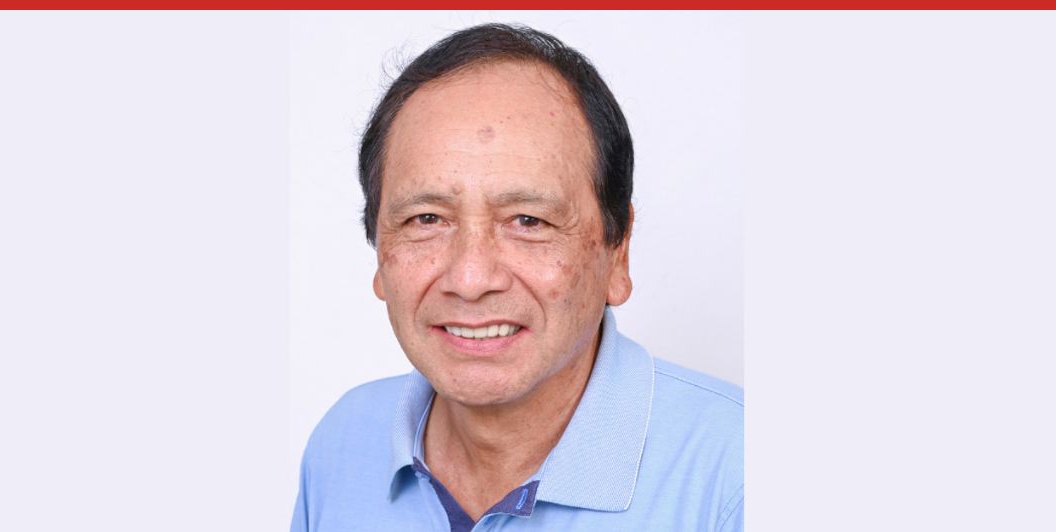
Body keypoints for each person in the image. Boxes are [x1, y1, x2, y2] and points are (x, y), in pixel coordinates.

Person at [291, 23, 744, 532]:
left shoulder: (738, 478)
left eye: (528, 221)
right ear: (380, 252)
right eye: (426, 219)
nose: (470, 278)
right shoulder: (342, 445)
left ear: (618, 252)